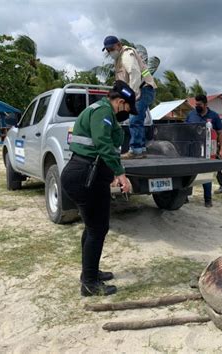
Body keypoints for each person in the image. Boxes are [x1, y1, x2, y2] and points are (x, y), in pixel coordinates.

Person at [61, 80, 134, 297]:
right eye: (128, 108)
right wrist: (120, 174)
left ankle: (90, 273)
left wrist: (110, 173)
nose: (128, 113)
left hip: (87, 173)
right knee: (97, 229)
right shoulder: (102, 111)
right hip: (85, 176)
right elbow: (102, 143)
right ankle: (89, 283)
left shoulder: (103, 112)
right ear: (120, 102)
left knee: (93, 227)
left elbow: (102, 148)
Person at [102, 35, 157, 159]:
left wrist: (133, 95)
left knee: (134, 120)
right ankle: (141, 150)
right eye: (108, 50)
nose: (110, 52)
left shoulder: (127, 55)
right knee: (138, 120)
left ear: (119, 45)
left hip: (142, 89)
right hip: (144, 89)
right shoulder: (119, 59)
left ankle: (136, 150)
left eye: (112, 48)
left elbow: (135, 73)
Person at [185, 94, 222, 207]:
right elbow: (184, 130)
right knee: (189, 173)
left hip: (208, 150)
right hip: (193, 149)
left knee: (206, 175)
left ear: (206, 104)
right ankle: (185, 196)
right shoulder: (191, 115)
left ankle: (208, 199)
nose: (197, 106)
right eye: (196, 104)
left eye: (199, 105)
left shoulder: (214, 116)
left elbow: (220, 133)